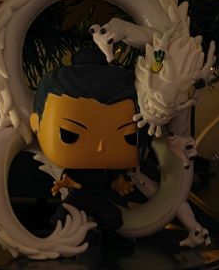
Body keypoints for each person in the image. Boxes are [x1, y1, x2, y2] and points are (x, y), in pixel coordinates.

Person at [30, 45, 143, 235]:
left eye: (128, 136)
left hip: (100, 199)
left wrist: (118, 183)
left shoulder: (109, 168)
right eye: (69, 135)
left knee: (113, 218)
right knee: (63, 219)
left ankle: (108, 239)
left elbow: (111, 180)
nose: (100, 147)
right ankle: (61, 237)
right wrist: (66, 182)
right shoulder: (75, 169)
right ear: (36, 124)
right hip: (78, 199)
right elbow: (68, 178)